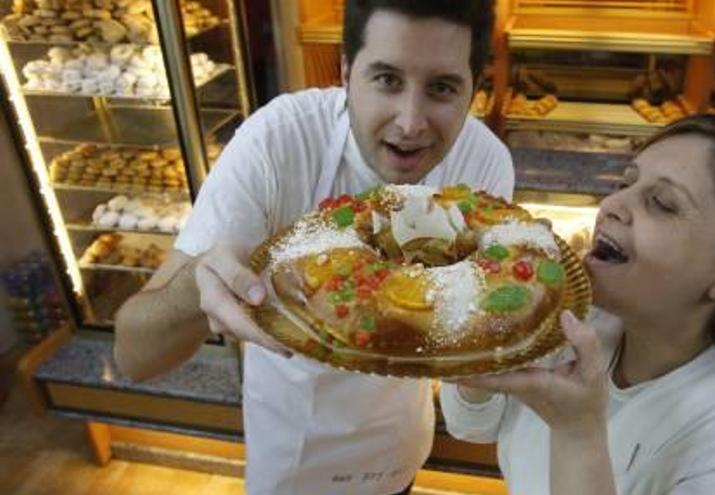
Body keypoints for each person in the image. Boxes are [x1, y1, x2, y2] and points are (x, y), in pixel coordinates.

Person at [114, 1, 512, 494]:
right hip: (290, 453)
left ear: (475, 88)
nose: (410, 122)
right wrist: (198, 283)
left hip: (396, 448)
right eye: (387, 79)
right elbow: (133, 357)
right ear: (346, 69)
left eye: (442, 88)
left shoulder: (485, 167)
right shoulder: (278, 141)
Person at [440, 114, 715, 495]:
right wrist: (489, 323)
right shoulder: (583, 319)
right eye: (626, 182)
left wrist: (578, 431)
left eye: (662, 203)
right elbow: (474, 425)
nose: (612, 205)